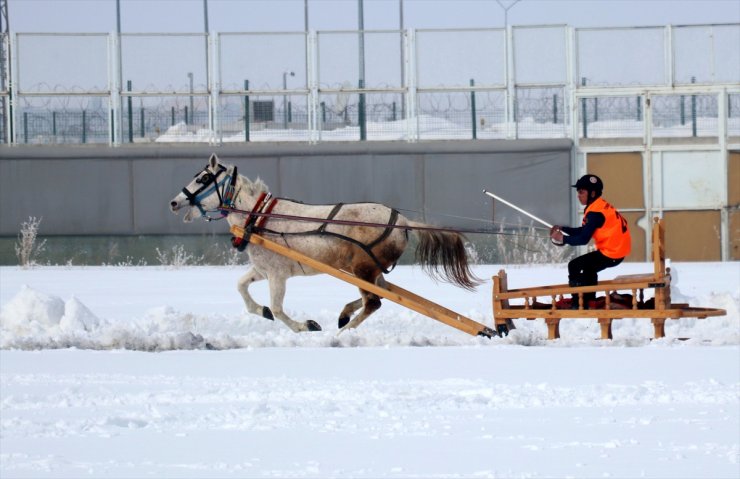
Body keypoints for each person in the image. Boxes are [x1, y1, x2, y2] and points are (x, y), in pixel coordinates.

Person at [550, 174, 631, 309]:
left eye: (581, 192)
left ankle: (577, 303)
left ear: (592, 193)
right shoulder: (600, 206)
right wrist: (563, 229)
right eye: (578, 192)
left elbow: (583, 239)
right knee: (589, 267)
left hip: (611, 253)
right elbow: (584, 231)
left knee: (574, 265)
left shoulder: (595, 213)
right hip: (617, 252)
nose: (578, 195)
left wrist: (562, 238)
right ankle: (589, 301)